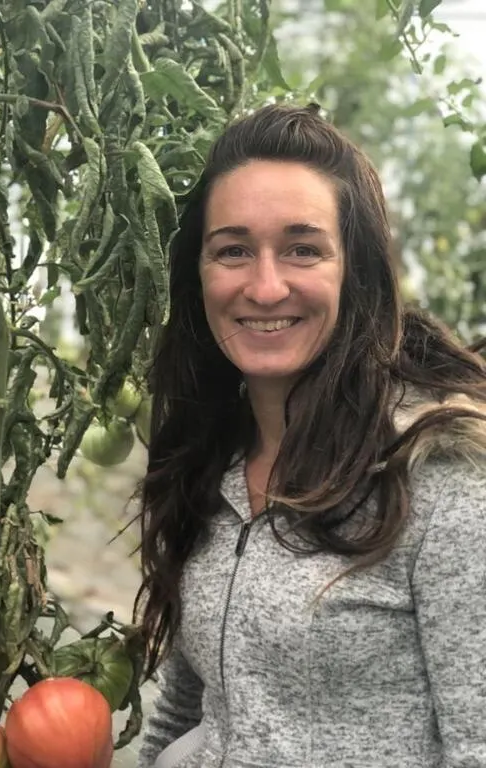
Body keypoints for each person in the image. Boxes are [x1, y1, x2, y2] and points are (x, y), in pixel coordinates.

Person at [133, 103, 486, 767]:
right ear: (197, 273)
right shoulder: (209, 467)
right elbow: (187, 709)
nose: (266, 287)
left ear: (354, 271)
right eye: (233, 250)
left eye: (303, 249)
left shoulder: (444, 484)